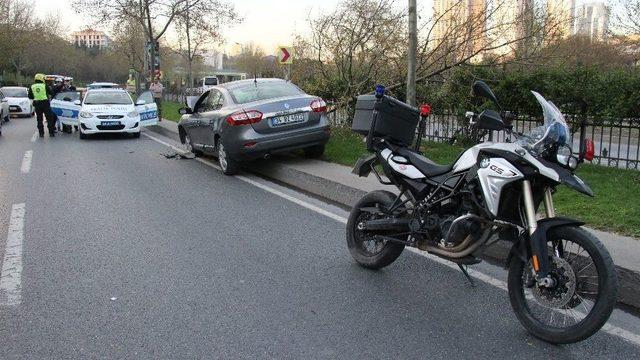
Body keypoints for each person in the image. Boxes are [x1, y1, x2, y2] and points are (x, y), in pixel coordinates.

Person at [28, 73, 56, 137]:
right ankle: (51, 133)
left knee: (39, 119)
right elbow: (51, 92)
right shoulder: (44, 85)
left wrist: (36, 96)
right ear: (41, 78)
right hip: (45, 103)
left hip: (37, 104)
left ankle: (41, 133)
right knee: (49, 118)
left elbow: (30, 96)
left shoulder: (32, 86)